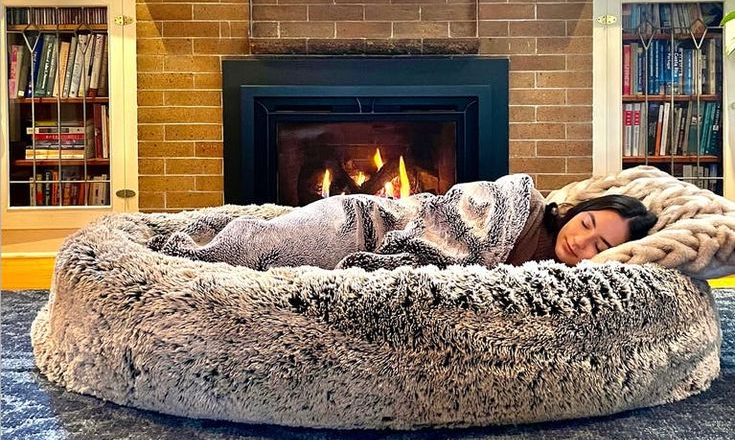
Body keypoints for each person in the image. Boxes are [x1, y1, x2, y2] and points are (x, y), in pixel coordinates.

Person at [154, 176, 658, 270]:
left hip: (379, 246)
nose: (583, 240)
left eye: (600, 244)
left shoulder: (568, 281)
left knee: (271, 258)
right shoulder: (519, 206)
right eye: (588, 222)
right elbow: (452, 215)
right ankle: (185, 249)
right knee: (266, 242)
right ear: (574, 210)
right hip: (373, 222)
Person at [506, 190, 659, 267]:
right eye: (585, 224)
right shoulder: (527, 211)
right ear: (579, 211)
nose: (579, 241)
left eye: (598, 247)